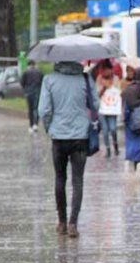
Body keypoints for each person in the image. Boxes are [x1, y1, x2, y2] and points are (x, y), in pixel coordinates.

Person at [38, 61, 99, 238]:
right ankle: (73, 223)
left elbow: (44, 110)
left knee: (59, 178)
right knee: (78, 180)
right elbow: (96, 104)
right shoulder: (85, 79)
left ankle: (62, 222)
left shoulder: (49, 80)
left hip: (58, 137)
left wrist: (50, 128)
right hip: (81, 137)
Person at [21, 60, 43, 132]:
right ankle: (35, 124)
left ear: (28, 65)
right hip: (37, 92)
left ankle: (30, 125)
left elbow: (22, 82)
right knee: (36, 108)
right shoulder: (39, 72)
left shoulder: (26, 72)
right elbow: (42, 82)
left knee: (30, 109)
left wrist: (25, 90)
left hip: (29, 92)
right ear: (34, 64)